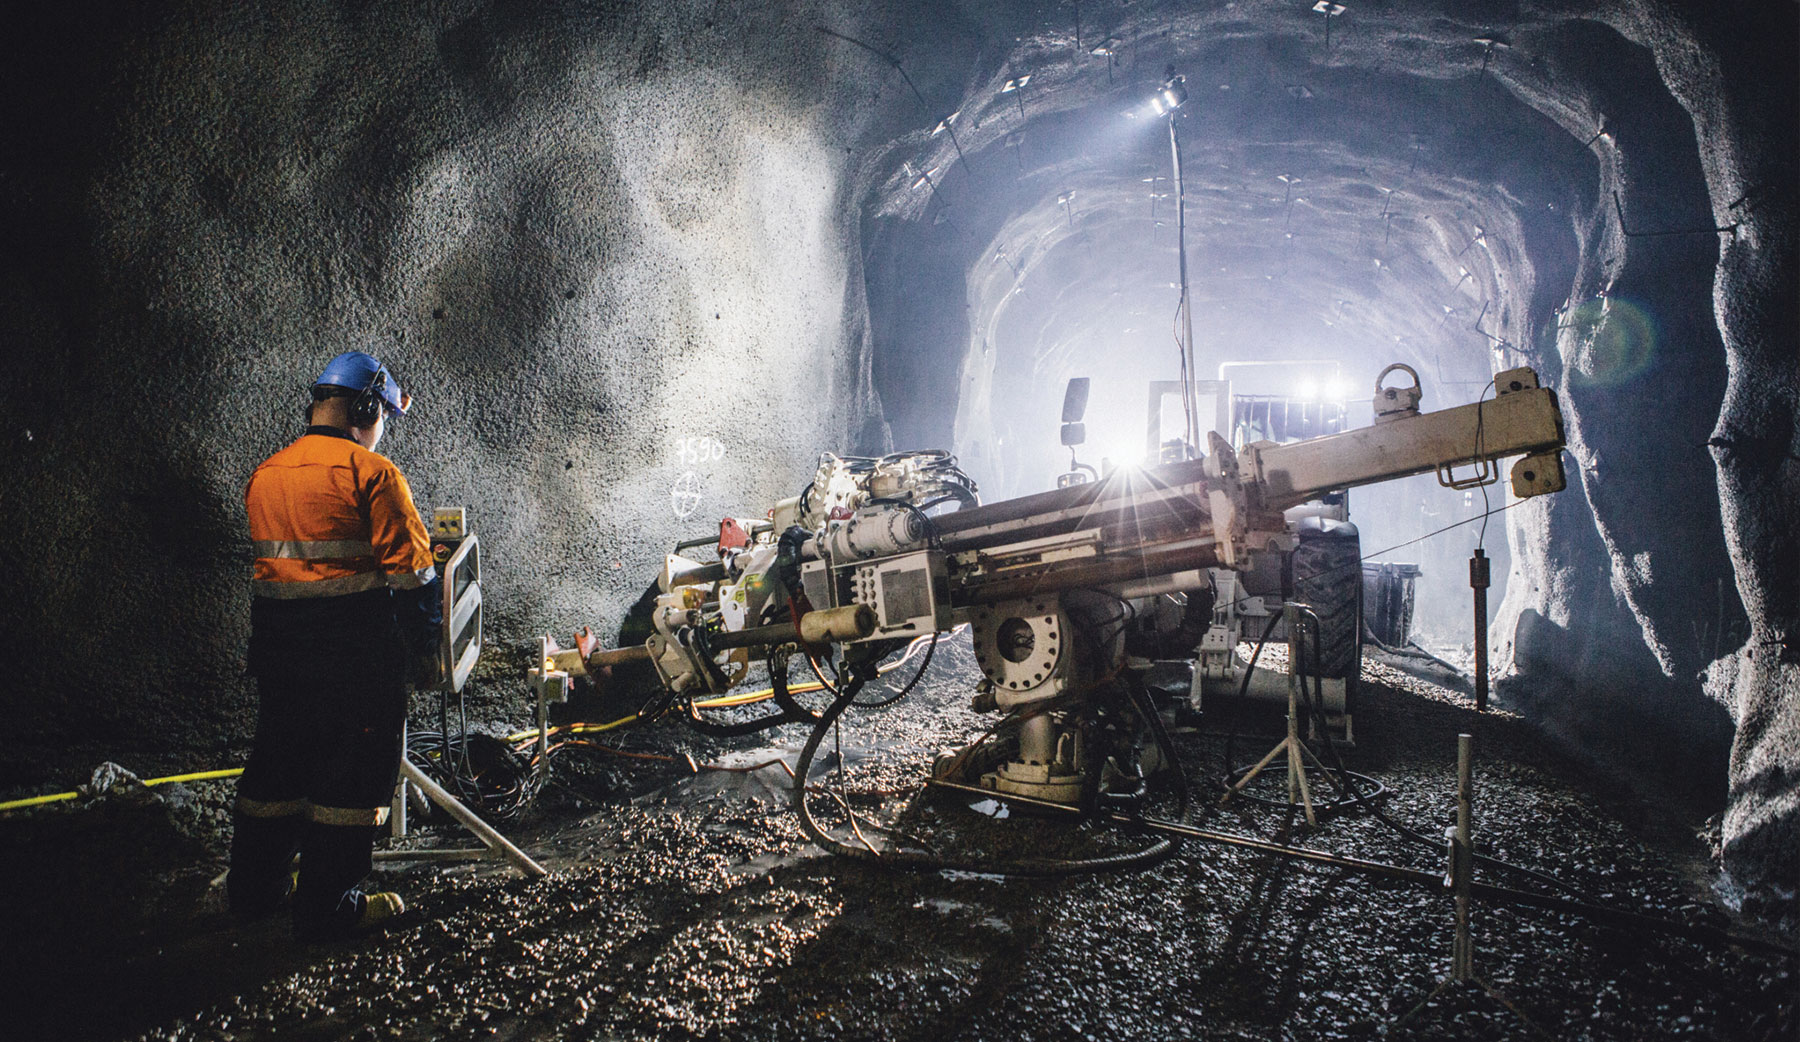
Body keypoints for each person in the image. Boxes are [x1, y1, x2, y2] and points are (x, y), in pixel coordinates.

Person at [228, 350, 443, 941]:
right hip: (355, 661)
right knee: (350, 783)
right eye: (382, 417)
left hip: (279, 657)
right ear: (366, 407)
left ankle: (252, 891)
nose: (381, 432)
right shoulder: (373, 475)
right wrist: (426, 653)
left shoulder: (266, 473)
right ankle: (329, 907)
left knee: (277, 769)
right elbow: (415, 579)